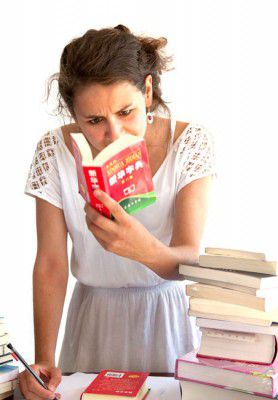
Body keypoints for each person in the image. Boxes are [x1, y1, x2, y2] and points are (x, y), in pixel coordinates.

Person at [20, 24, 215, 399]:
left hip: (166, 316)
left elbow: (190, 258)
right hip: (92, 318)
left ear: (147, 90)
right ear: (73, 115)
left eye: (127, 112)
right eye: (93, 121)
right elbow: (50, 262)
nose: (115, 134)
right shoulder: (53, 150)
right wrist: (43, 360)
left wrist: (143, 249)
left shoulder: (190, 142)